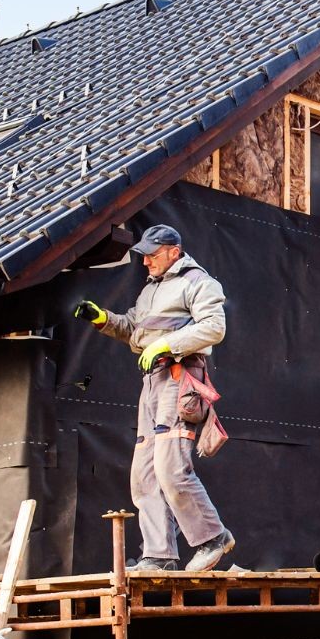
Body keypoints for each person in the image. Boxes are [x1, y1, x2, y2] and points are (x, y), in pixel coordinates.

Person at [74, 223, 236, 572]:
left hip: (179, 378)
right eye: (144, 255)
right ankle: (159, 556)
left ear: (173, 252)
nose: (146, 261)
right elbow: (134, 330)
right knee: (144, 475)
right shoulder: (150, 290)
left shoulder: (198, 282)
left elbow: (214, 327)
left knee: (170, 467)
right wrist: (102, 319)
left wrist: (167, 345)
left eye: (152, 255)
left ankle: (213, 537)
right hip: (151, 383)